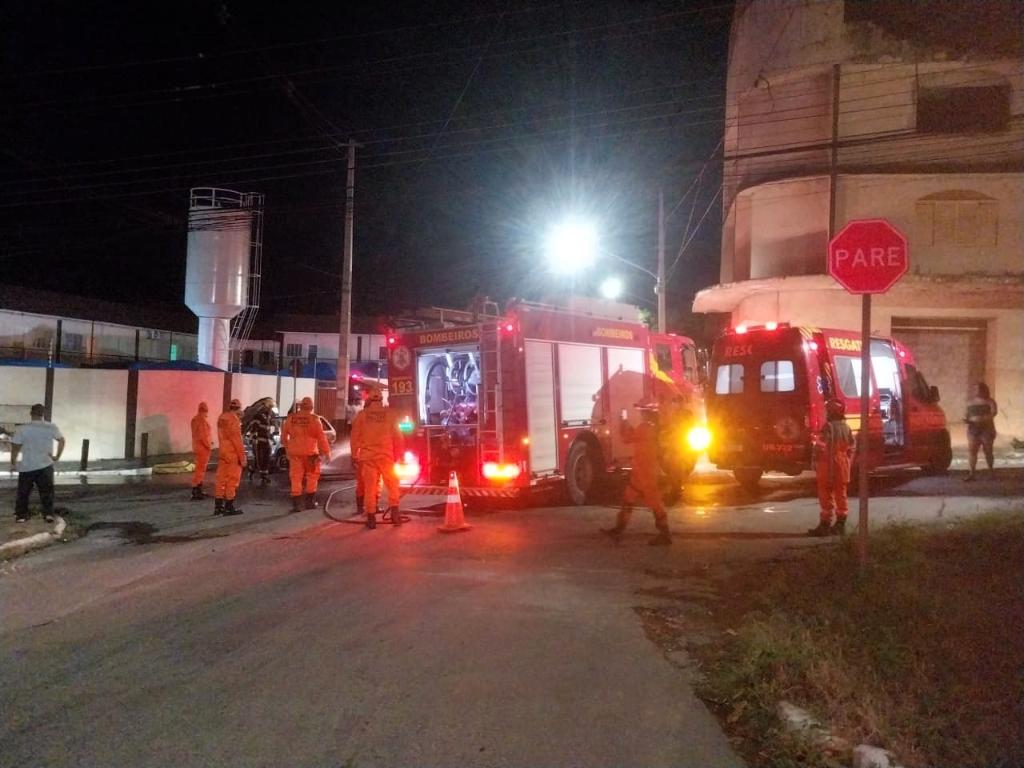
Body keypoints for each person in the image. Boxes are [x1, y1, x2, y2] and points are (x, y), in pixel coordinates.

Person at [602, 404, 672, 546]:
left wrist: (623, 424)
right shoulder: (653, 428)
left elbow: (627, 438)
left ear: (646, 414)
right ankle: (619, 529)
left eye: (642, 412)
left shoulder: (645, 427)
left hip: (645, 473)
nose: (640, 414)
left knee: (654, 503)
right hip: (644, 471)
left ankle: (665, 534)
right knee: (629, 497)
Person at [350, 386, 401, 529]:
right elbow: (398, 436)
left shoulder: (362, 415)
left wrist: (354, 455)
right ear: (382, 399)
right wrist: (399, 454)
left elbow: (354, 437)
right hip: (386, 456)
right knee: (392, 485)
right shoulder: (390, 414)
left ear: (368, 399)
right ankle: (395, 514)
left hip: (368, 458)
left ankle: (371, 518)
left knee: (370, 488)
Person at [10, 404, 65, 524]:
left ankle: (21, 515)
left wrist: (13, 462)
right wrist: (57, 456)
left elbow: (15, 447)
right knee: (47, 492)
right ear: (42, 414)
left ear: (31, 413)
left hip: (27, 466)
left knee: (23, 492)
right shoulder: (51, 427)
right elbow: (62, 440)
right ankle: (48, 514)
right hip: (45, 465)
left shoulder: (22, 429)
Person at [808, 399, 855, 537]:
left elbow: (820, 447)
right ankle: (840, 525)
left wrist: (814, 461)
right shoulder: (846, 427)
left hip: (827, 466)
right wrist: (847, 462)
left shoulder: (828, 427)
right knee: (841, 495)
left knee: (826, 496)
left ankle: (825, 525)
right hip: (842, 467)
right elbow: (852, 447)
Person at [281, 396, 330, 513]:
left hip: (295, 453)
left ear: (301, 406)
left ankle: (296, 504)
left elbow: (284, 437)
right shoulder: (314, 419)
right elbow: (321, 437)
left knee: (295, 477)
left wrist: (288, 449)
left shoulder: (291, 418)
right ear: (311, 407)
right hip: (310, 453)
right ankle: (309, 502)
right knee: (312, 477)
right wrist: (327, 452)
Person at [214, 398, 245, 516]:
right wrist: (242, 458)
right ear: (238, 409)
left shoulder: (222, 418)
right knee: (232, 480)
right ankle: (229, 506)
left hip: (223, 452)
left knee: (220, 480)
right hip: (233, 454)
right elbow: (237, 440)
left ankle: (218, 507)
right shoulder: (234, 420)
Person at [965, 381, 998, 481]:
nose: (977, 391)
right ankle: (972, 473)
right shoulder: (970, 402)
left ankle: (991, 472)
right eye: (975, 389)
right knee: (972, 451)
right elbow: (967, 414)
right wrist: (968, 420)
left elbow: (994, 412)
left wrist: (983, 418)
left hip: (986, 429)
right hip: (973, 429)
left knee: (988, 451)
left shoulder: (990, 401)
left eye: (979, 389)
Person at [249, 400, 276, 486]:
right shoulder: (258, 415)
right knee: (259, 459)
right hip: (259, 441)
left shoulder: (268, 416)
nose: (271, 409)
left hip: (266, 440)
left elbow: (267, 429)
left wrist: (272, 437)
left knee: (266, 458)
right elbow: (254, 428)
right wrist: (254, 438)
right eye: (270, 407)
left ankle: (264, 476)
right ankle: (252, 470)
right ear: (266, 407)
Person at [190, 401, 212, 500]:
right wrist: (209, 446)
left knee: (198, 469)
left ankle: (197, 489)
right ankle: (196, 490)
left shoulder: (194, 419)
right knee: (200, 470)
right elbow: (204, 436)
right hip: (203, 448)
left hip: (196, 446)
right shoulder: (202, 420)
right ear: (205, 410)